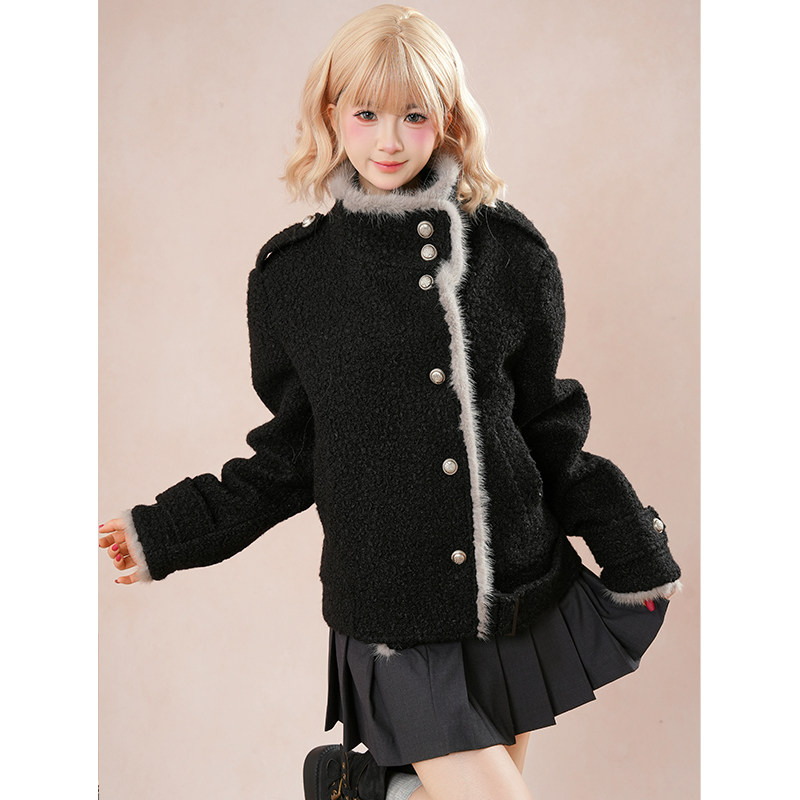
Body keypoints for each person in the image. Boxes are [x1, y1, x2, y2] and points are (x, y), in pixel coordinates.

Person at [99, 5, 683, 800]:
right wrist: (167, 532)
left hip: (513, 595)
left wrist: (630, 542)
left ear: (448, 119)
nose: (389, 140)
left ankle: (365, 790)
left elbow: (547, 427)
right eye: (366, 113)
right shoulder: (294, 279)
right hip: (390, 614)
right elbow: (288, 461)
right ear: (330, 113)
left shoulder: (511, 254)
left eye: (413, 115)